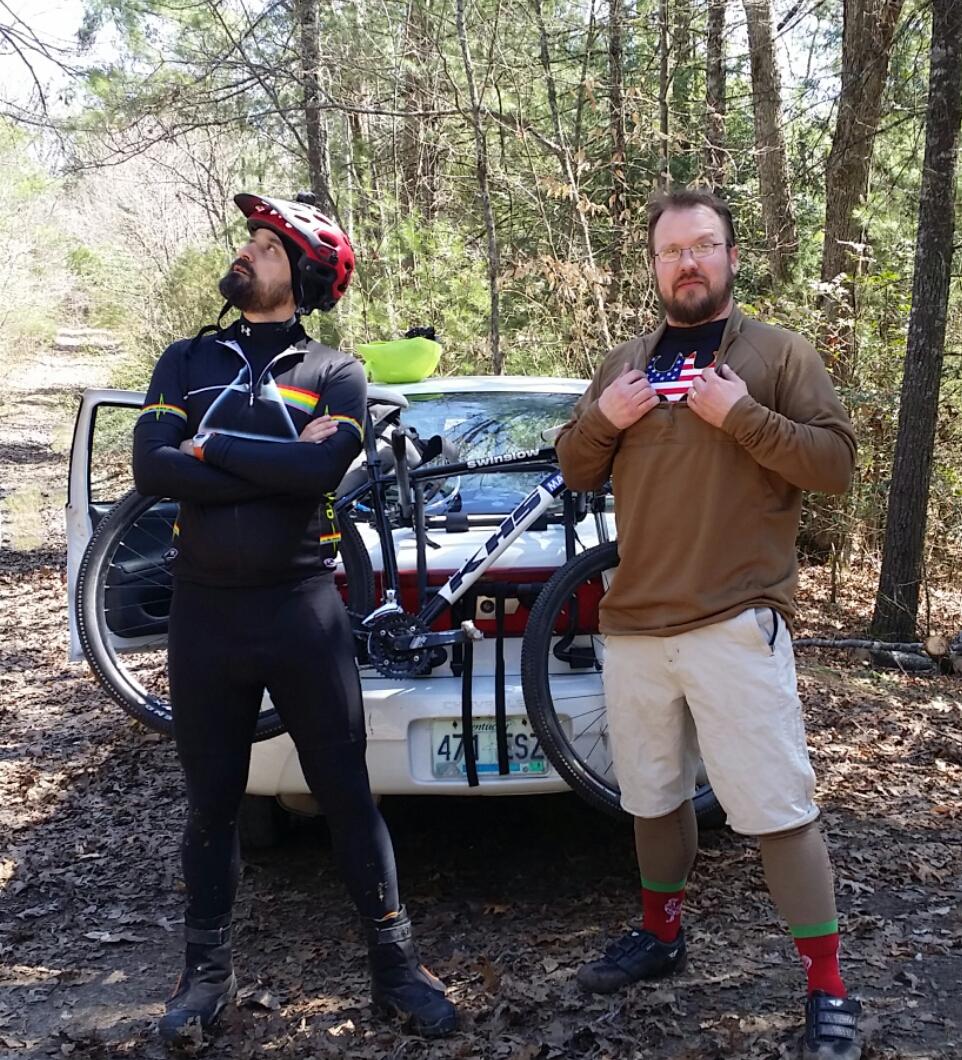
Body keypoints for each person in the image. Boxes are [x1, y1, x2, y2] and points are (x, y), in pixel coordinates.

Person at [132, 192, 458, 1044]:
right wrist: (277, 463)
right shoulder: (185, 359)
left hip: (302, 612)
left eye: (269, 247)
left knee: (347, 794)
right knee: (211, 803)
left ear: (304, 276)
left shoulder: (336, 372)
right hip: (205, 616)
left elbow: (319, 474)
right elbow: (151, 468)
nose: (248, 252)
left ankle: (395, 970)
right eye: (249, 240)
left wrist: (212, 448)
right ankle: (205, 980)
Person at [555, 189, 862, 1058]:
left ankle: (828, 987)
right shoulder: (624, 364)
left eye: (703, 246)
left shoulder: (777, 354)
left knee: (776, 809)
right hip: (635, 625)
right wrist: (603, 420)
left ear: (730, 255)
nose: (687, 262)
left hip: (736, 621)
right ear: (654, 267)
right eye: (671, 251)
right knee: (652, 798)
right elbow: (574, 467)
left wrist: (743, 417)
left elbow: (836, 464)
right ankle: (661, 934)